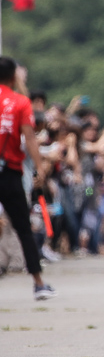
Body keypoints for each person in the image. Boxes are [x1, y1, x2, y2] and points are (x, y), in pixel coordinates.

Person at [0, 56, 57, 300]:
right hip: (10, 172)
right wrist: (40, 168)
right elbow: (30, 138)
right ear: (14, 76)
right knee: (23, 228)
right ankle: (38, 282)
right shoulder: (20, 102)